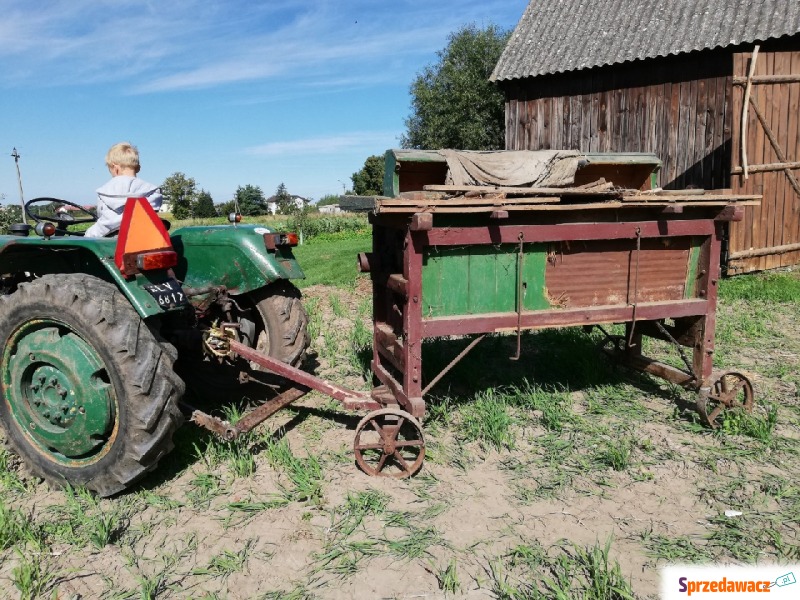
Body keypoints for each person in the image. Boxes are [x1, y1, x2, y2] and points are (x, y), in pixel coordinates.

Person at [84, 142, 163, 237]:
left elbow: (104, 221)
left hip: (113, 243)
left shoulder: (104, 192)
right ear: (138, 168)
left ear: (115, 168)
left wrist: (88, 234)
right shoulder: (152, 191)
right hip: (144, 240)